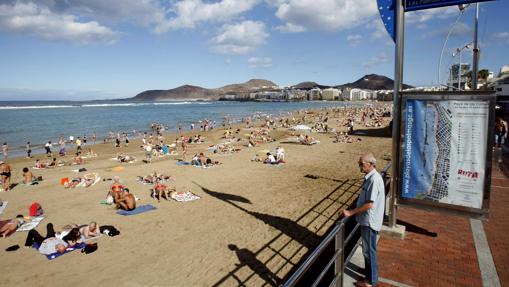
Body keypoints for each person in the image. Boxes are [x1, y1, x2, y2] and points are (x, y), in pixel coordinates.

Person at [342, 153, 385, 287]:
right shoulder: (371, 178)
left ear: (369, 164)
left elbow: (369, 204)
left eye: (361, 164)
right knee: (368, 249)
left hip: (370, 221)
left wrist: (350, 212)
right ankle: (370, 274)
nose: (359, 166)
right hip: (369, 220)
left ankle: (371, 281)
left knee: (368, 250)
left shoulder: (373, 180)